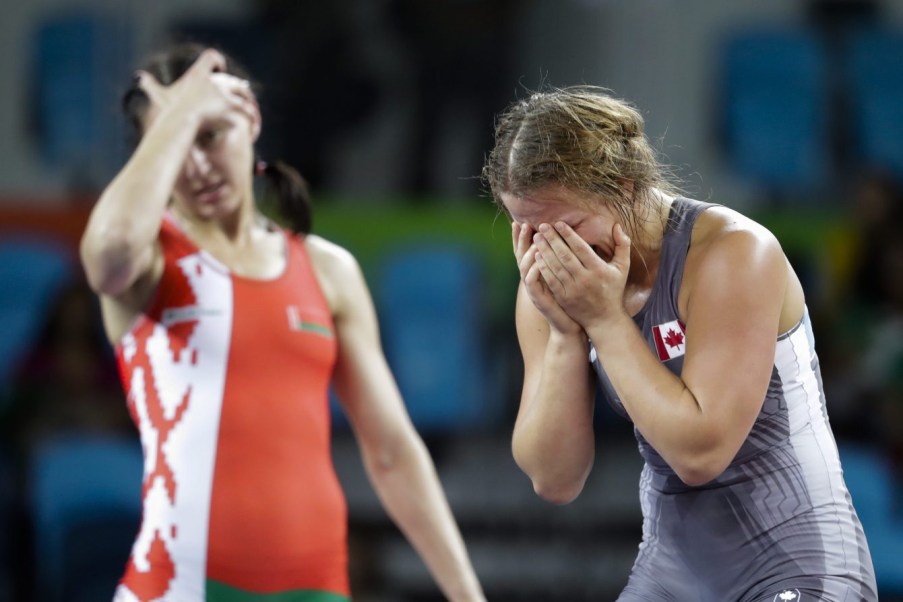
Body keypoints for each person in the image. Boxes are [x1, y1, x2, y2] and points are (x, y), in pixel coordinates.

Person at [79, 43, 485, 602]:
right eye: (175, 145)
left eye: (210, 135)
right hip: (179, 587)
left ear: (251, 121)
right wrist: (179, 114)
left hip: (316, 588)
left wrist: (467, 596)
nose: (195, 166)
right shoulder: (149, 263)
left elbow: (391, 450)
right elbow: (109, 253)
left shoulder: (328, 270)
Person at [481, 86, 878, 601]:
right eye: (530, 232)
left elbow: (701, 453)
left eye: (569, 227)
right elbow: (555, 480)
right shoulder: (552, 280)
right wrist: (563, 334)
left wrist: (602, 319)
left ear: (624, 187)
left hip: (795, 565)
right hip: (673, 576)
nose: (554, 251)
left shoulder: (734, 253)